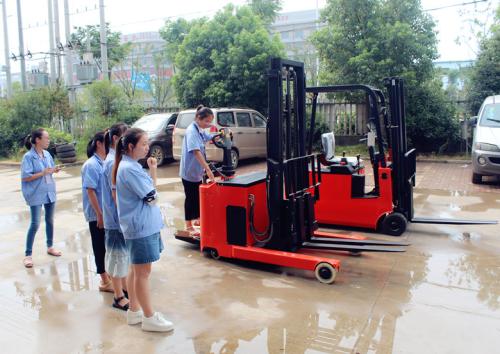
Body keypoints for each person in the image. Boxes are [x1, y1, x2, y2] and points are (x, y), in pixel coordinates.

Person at [113, 127, 173, 332]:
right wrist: (154, 194)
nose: (148, 148)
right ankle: (149, 317)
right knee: (143, 273)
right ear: (131, 147)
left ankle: (135, 310)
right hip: (140, 227)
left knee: (136, 270)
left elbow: (150, 192)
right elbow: (151, 196)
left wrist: (152, 171)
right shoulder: (129, 169)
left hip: (140, 226)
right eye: (144, 144)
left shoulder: (130, 166)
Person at [20, 128, 62, 268]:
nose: (48, 140)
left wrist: (54, 170)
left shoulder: (47, 154)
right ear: (37, 140)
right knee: (35, 223)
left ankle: (50, 246)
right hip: (36, 193)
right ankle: (28, 254)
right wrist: (42, 173)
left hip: (49, 191)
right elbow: (26, 177)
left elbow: (48, 171)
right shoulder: (28, 157)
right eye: (46, 138)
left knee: (50, 220)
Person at [102, 123, 130, 311]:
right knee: (117, 257)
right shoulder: (113, 161)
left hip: (117, 217)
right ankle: (119, 296)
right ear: (115, 139)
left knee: (122, 256)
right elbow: (116, 194)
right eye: (125, 136)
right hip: (115, 218)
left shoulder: (115, 159)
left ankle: (124, 290)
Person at [81, 131, 112, 292]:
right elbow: (90, 191)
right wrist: (99, 214)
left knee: (107, 245)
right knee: (99, 246)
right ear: (99, 144)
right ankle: (104, 280)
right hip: (96, 213)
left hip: (104, 211)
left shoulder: (103, 162)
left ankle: (109, 276)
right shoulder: (91, 165)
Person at [179, 105, 216, 235]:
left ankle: (197, 220)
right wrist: (208, 169)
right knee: (191, 198)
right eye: (206, 121)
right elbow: (196, 151)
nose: (208, 124)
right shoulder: (191, 131)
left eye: (210, 121)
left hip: (196, 171)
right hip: (189, 172)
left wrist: (217, 135)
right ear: (198, 118)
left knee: (197, 196)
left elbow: (207, 136)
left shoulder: (199, 129)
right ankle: (188, 225)